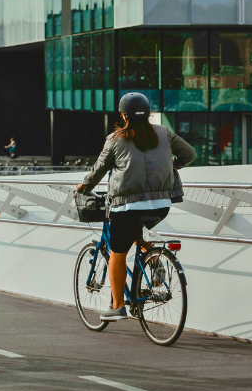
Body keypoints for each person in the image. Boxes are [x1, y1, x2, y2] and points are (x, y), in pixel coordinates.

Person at [76, 93, 195, 322]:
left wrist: (84, 187)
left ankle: (117, 306)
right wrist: (172, 167)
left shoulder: (115, 138)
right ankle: (153, 259)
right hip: (161, 206)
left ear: (123, 115)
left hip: (127, 207)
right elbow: (190, 154)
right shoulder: (163, 132)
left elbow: (99, 169)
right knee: (138, 232)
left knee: (117, 254)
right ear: (148, 113)